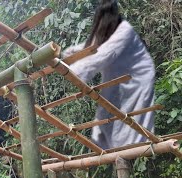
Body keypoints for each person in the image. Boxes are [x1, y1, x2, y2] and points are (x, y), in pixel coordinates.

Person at [63, 0, 155, 149]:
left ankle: (132, 147)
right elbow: (89, 48)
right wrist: (67, 54)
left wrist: (72, 71)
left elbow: (103, 55)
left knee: (131, 115)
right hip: (119, 76)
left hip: (138, 76)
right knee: (112, 114)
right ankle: (116, 148)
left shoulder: (124, 31)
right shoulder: (106, 34)